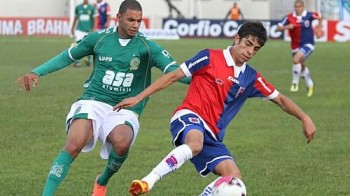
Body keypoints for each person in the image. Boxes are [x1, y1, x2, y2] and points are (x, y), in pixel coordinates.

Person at [114, 21, 317, 196]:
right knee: (195, 143)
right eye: (248, 44)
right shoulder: (209, 57)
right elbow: (173, 76)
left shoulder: (251, 78)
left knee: (234, 178)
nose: (250, 52)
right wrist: (139, 97)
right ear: (236, 38)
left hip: (213, 135)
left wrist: (304, 117)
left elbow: (280, 99)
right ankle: (147, 181)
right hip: (189, 116)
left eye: (255, 49)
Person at [15, 0, 190, 195]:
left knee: (122, 143)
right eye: (130, 20)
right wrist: (37, 72)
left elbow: (175, 72)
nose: (135, 25)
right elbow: (67, 56)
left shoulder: (147, 47)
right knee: (73, 144)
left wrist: (204, 76)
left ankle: (102, 180)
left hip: (125, 107)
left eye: (139, 21)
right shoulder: (98, 39)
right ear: (118, 18)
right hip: (93, 100)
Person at [277, 0, 322, 97]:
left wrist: (319, 30)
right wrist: (287, 27)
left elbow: (320, 16)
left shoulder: (309, 15)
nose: (298, 9)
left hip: (308, 44)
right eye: (296, 7)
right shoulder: (289, 17)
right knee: (301, 66)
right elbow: (278, 27)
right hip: (295, 46)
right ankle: (310, 85)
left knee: (296, 59)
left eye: (300, 7)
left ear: (303, 7)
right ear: (294, 7)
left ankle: (294, 83)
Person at [71, 0, 97, 67]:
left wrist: (94, 28)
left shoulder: (92, 8)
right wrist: (72, 27)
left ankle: (88, 61)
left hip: (88, 30)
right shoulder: (78, 7)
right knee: (77, 45)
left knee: (89, 45)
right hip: (79, 29)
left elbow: (95, 19)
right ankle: (77, 62)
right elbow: (76, 18)